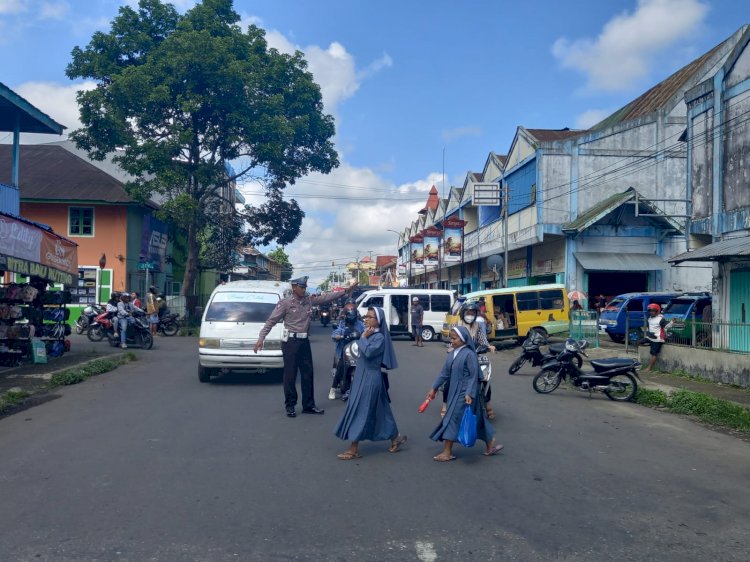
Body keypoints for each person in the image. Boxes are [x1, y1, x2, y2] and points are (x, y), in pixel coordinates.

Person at [254, 276, 358, 418]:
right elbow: (271, 321)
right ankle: (290, 405)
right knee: (290, 375)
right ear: (294, 287)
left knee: (308, 374)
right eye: (302, 287)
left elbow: (327, 297)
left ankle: (308, 405)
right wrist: (261, 338)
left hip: (304, 342)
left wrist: (345, 291)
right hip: (290, 342)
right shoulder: (285, 303)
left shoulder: (308, 301)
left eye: (305, 287)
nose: (304, 289)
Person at [334, 306, 407, 460]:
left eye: (370, 317)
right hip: (363, 376)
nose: (366, 319)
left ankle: (353, 449)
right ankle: (396, 437)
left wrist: (363, 338)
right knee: (382, 411)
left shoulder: (379, 337)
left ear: (378, 320)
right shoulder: (368, 333)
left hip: (370, 379)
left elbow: (368, 353)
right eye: (366, 316)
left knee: (360, 411)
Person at [426, 326, 503, 462]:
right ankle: (490, 443)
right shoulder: (452, 354)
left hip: (465, 392)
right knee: (477, 418)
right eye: (451, 338)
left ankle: (447, 451)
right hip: (454, 391)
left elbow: (473, 376)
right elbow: (444, 373)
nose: (452, 341)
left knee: (453, 418)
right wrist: (434, 387)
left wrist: (469, 393)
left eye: (455, 338)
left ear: (463, 339)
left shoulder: (469, 354)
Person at [440, 303, 497, 420]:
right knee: (449, 380)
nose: (470, 315)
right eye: (468, 313)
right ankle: (445, 405)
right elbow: (452, 340)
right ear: (463, 313)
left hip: (474, 356)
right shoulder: (457, 325)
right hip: (459, 356)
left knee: (485, 379)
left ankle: (488, 405)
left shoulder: (477, 326)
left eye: (473, 313)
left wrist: (489, 346)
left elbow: (483, 340)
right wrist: (451, 347)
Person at [329, 300, 364, 400]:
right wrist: (338, 336)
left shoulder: (360, 324)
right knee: (340, 367)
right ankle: (333, 388)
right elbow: (336, 332)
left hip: (356, 349)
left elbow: (365, 331)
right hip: (343, 350)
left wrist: (363, 335)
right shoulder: (342, 324)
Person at [641, 303, 673, 373]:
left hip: (657, 339)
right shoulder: (649, 318)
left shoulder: (660, 319)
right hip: (650, 337)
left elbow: (667, 327)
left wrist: (672, 322)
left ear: (657, 311)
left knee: (654, 354)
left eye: (653, 311)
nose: (651, 312)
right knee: (639, 342)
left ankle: (649, 368)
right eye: (650, 311)